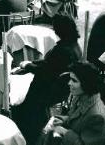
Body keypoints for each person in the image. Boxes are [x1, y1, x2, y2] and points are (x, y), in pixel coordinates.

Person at [12, 14, 82, 144]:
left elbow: (46, 70)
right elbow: (49, 63)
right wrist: (31, 63)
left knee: (20, 101)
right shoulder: (73, 45)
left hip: (49, 90)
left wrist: (28, 66)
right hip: (60, 87)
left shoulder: (63, 50)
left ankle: (25, 134)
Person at [41, 62, 105, 145]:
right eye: (70, 79)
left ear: (86, 84)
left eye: (74, 80)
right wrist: (63, 120)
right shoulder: (81, 97)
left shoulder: (97, 117)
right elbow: (78, 118)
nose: (69, 83)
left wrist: (64, 132)